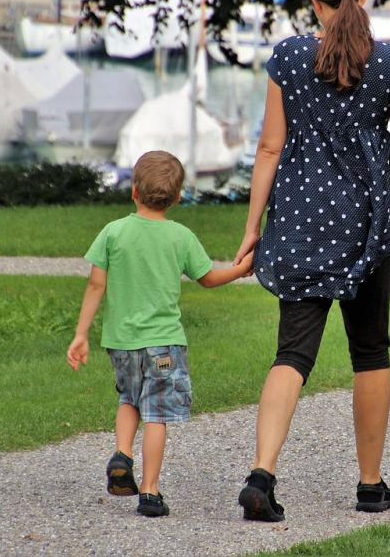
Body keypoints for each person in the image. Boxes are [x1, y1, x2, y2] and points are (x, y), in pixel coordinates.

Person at [232, 0, 390, 522]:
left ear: (313, 2)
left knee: (291, 353)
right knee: (370, 352)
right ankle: (370, 485)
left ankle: (261, 474)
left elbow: (269, 148)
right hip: (367, 228)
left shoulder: (289, 57)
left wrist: (252, 228)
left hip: (300, 223)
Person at [66, 150, 254, 518]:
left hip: (120, 342)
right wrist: (242, 268)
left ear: (133, 190)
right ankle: (150, 492)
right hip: (164, 343)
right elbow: (208, 278)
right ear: (178, 197)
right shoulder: (180, 236)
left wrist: (81, 334)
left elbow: (95, 285)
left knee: (129, 398)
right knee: (156, 413)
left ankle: (122, 454)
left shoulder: (113, 232)